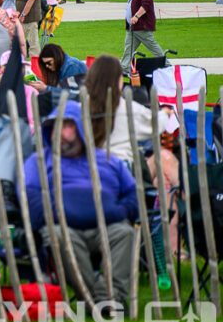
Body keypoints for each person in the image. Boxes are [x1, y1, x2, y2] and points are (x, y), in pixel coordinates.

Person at [23, 101, 138, 308]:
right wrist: (56, 213)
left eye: (66, 126)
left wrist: (119, 211)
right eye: (54, 127)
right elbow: (31, 195)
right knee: (59, 236)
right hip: (64, 227)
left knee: (125, 233)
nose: (59, 133)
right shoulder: (38, 161)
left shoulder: (108, 160)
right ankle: (95, 298)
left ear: (81, 129)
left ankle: (110, 297)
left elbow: (132, 192)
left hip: (107, 226)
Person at [84, 55, 170, 166]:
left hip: (87, 166)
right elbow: (155, 124)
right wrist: (165, 114)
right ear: (117, 80)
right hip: (120, 166)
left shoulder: (80, 106)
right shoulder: (126, 108)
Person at [120, 0, 165, 71]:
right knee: (128, 47)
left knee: (152, 46)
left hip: (141, 26)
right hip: (133, 26)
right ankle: (125, 67)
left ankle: (166, 64)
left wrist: (136, 16)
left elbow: (145, 6)